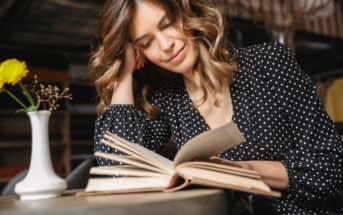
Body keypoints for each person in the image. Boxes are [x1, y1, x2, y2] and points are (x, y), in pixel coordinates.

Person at [89, 0, 343, 214]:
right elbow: (117, 175)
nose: (165, 45)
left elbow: (332, 171)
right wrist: (123, 73)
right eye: (146, 43)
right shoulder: (167, 98)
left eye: (167, 24)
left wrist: (239, 172)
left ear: (187, 12)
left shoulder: (269, 62)